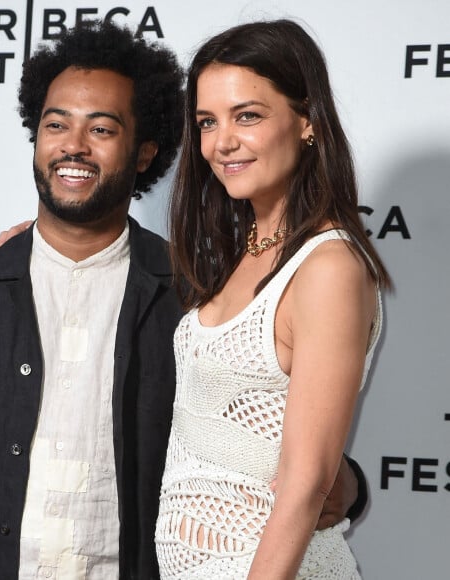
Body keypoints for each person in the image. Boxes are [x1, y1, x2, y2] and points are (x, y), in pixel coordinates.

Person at [0, 19, 366, 580]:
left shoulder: (195, 295)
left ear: (144, 151)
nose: (73, 146)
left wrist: (344, 482)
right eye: (56, 125)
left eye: (101, 129)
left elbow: (243, 429)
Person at [154, 19, 391, 579]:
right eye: (207, 122)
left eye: (248, 116)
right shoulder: (243, 250)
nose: (221, 142)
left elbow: (307, 482)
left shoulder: (328, 266)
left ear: (307, 120)